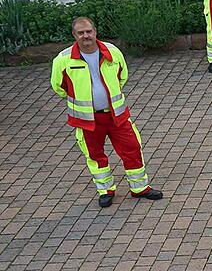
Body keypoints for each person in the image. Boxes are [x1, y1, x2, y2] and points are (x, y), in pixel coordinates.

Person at [50, 17, 163, 208]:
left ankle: (139, 188)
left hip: (116, 114)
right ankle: (106, 190)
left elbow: (122, 76)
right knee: (95, 155)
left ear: (95, 31)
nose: (86, 36)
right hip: (88, 119)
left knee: (132, 148)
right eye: (81, 33)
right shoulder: (63, 60)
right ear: (74, 35)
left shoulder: (112, 51)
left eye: (88, 31)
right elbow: (58, 87)